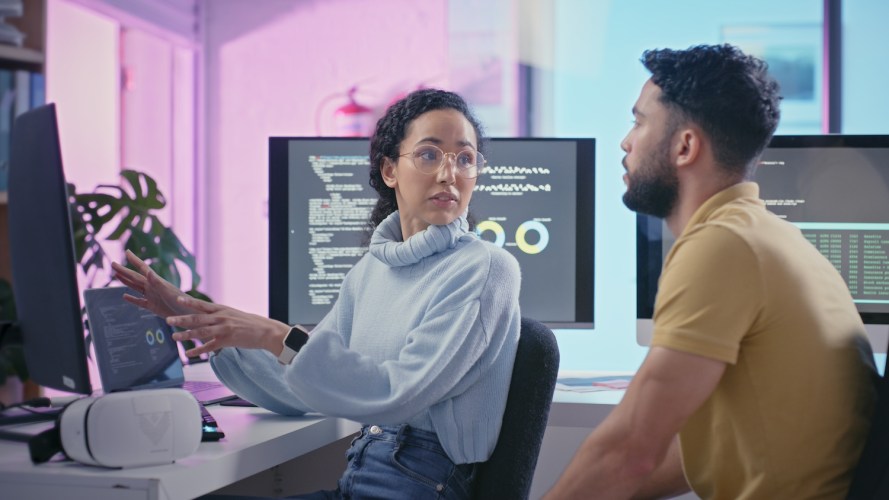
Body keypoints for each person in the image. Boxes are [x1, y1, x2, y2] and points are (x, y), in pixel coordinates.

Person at [113, 88, 521, 499]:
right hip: (364, 479)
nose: (450, 174)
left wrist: (274, 336)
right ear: (389, 170)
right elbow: (304, 382)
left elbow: (397, 393)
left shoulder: (486, 268)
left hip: (420, 486)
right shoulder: (370, 272)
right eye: (430, 154)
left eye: (465, 159)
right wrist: (207, 326)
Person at [546, 44, 877, 499]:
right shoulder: (768, 235)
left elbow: (628, 449)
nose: (626, 141)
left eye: (639, 121)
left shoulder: (723, 246)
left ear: (685, 146)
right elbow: (692, 453)